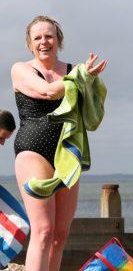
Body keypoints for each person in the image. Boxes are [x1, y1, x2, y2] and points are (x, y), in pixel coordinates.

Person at [11, 15, 107, 271]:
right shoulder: (20, 69)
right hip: (33, 151)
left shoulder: (75, 70)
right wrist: (81, 78)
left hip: (67, 153)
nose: (44, 41)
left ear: (59, 40)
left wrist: (90, 83)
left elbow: (92, 115)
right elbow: (46, 91)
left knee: (59, 236)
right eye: (38, 37)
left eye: (49, 36)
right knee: (43, 230)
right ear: (30, 44)